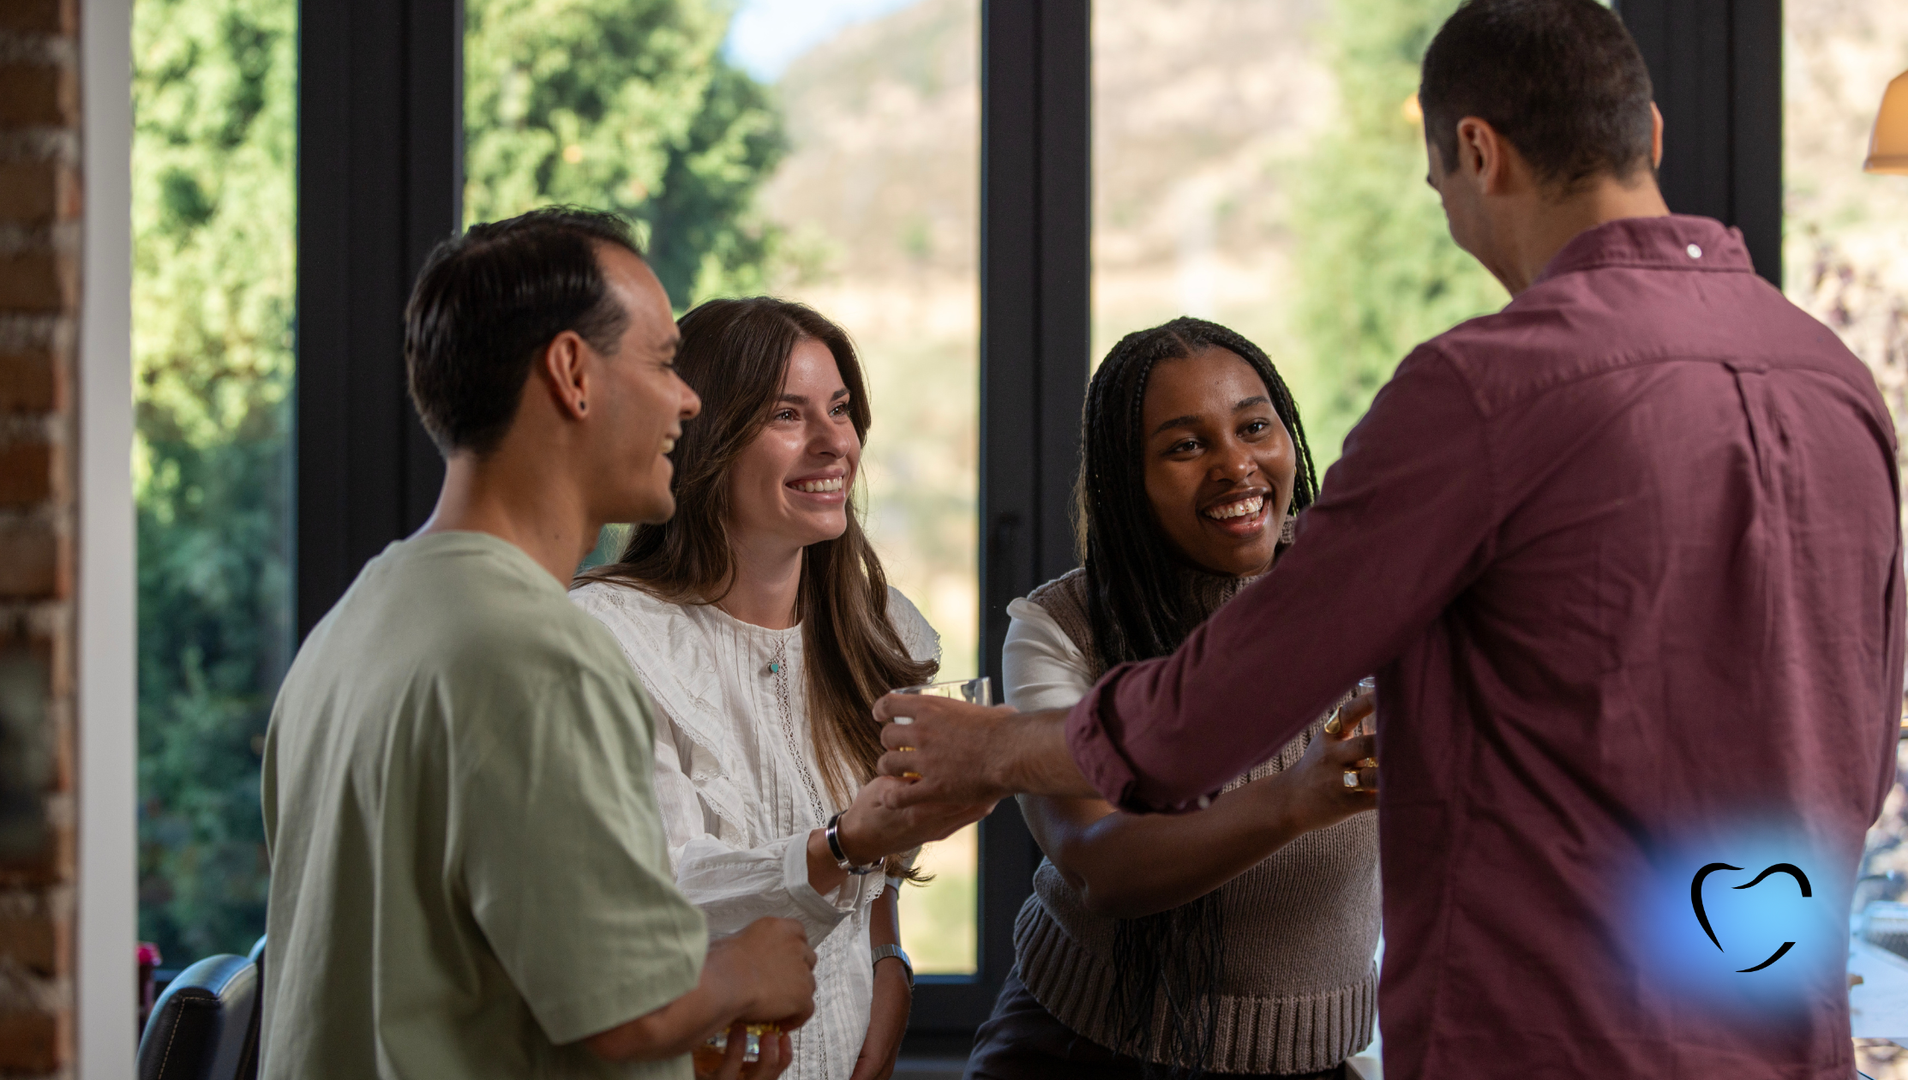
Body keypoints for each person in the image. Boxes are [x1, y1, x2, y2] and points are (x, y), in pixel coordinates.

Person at [870, 3, 1902, 1078]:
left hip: (1548, 1042)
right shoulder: (1835, 380)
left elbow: (1232, 690)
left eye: (1442, 190)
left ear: (1476, 152)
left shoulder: (1489, 388)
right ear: (1650, 136)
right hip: (1777, 1030)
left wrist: (998, 747)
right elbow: (1856, 750)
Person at [260, 209, 817, 1080]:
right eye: (665, 362)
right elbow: (627, 1012)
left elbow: (446, 980)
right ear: (571, 373)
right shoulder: (537, 656)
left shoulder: (352, 628)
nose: (689, 399)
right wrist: (747, 970)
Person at [572, 296, 994, 1080]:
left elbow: (877, 862)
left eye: (840, 409)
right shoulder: (610, 638)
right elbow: (662, 897)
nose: (836, 442)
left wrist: (891, 957)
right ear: (705, 441)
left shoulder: (872, 626)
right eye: (787, 415)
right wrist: (842, 842)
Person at [964, 318, 1380, 1080]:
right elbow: (1100, 867)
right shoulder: (1059, 630)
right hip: (1081, 1049)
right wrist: (1300, 797)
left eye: (1255, 427)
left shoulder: (1364, 592)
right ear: (1129, 477)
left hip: (1312, 1060)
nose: (1236, 465)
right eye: (1187, 446)